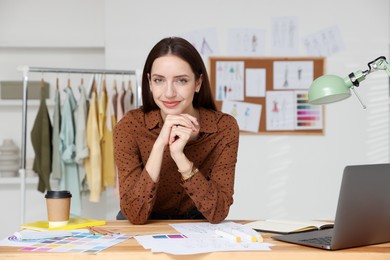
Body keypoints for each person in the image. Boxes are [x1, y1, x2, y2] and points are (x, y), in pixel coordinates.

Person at [113, 36, 239, 224]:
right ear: (149, 82)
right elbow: (134, 214)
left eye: (181, 81)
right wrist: (159, 146)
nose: (169, 93)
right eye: (159, 80)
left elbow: (218, 212)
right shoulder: (130, 126)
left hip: (197, 227)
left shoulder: (223, 128)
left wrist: (180, 158)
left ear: (197, 83)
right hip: (144, 222)